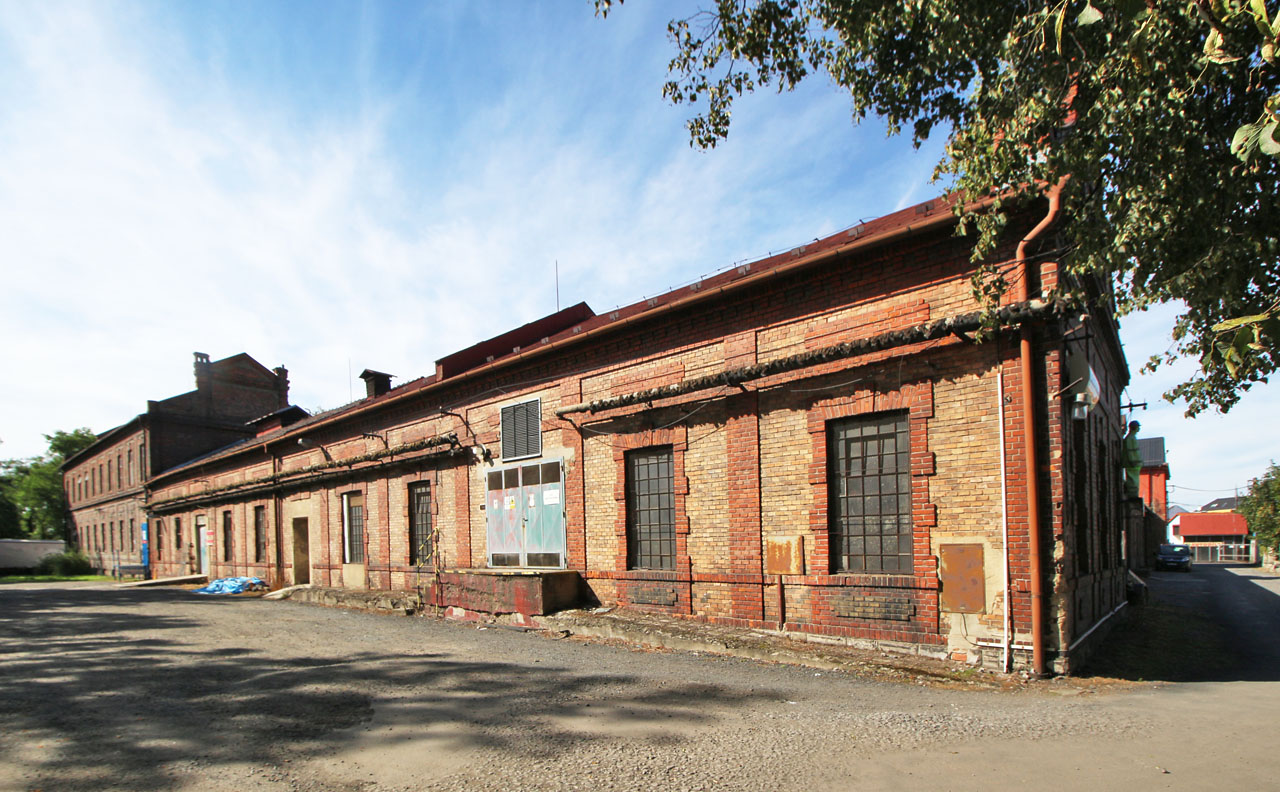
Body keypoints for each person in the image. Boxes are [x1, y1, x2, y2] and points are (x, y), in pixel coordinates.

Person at [1122, 420, 1142, 499]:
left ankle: (1133, 494)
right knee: (1133, 481)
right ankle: (1132, 495)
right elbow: (1130, 451)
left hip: (1134, 464)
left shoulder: (1131, 438)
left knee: (1134, 481)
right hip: (1132, 464)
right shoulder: (1130, 438)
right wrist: (1132, 462)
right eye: (1138, 427)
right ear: (1135, 428)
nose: (1139, 429)